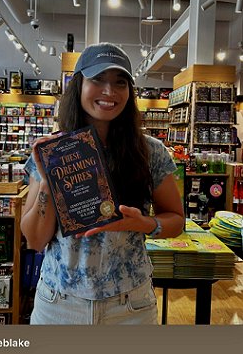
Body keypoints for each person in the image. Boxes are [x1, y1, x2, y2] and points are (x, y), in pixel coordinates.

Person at [20, 42, 184, 325]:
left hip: (130, 306)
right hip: (59, 304)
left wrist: (142, 224)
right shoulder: (52, 150)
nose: (109, 92)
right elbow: (35, 240)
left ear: (129, 93)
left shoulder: (150, 151)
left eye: (120, 83)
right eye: (98, 80)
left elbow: (177, 221)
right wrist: (49, 183)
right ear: (79, 85)